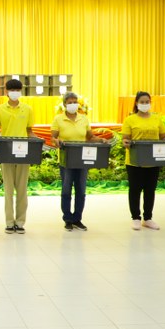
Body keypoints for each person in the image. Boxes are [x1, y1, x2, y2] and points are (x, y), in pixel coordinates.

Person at [51, 92, 103, 232]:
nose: (73, 104)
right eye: (70, 102)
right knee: (66, 190)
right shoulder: (58, 119)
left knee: (81, 190)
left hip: (82, 159)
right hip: (66, 160)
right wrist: (57, 141)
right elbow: (53, 138)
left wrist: (100, 140)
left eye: (75, 102)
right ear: (64, 104)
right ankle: (68, 219)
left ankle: (77, 219)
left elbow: (90, 137)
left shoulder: (84, 119)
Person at [0, 78, 35, 234]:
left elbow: (30, 131)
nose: (14, 92)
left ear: (20, 91)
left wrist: (36, 142)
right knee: (8, 190)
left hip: (23, 153)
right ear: (6, 92)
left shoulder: (27, 109)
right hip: (6, 152)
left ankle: (20, 222)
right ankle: (9, 222)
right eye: (12, 90)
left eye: (17, 90)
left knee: (22, 189)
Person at [121, 92, 165, 231]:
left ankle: (147, 218)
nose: (145, 104)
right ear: (136, 103)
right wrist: (126, 143)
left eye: (147, 101)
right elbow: (125, 138)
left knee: (150, 189)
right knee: (135, 189)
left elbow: (163, 136)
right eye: (142, 102)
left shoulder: (156, 118)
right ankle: (136, 218)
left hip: (153, 160)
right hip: (135, 161)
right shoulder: (130, 119)